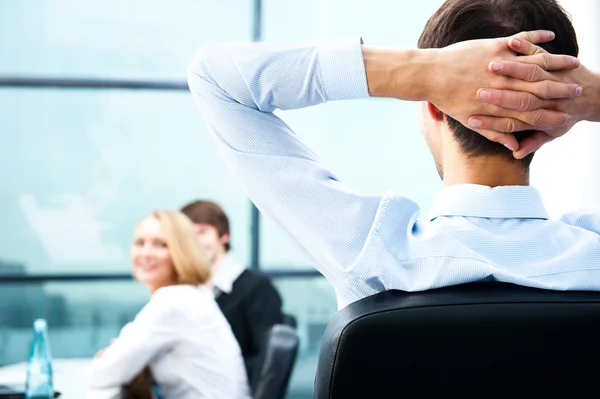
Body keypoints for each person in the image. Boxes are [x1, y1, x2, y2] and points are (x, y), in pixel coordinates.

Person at [186, 0, 600, 310]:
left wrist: (423, 72)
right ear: (555, 117)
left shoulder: (373, 252)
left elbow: (217, 78)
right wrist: (590, 96)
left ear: (433, 105)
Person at [88, 210, 250, 399]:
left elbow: (102, 375)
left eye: (161, 244)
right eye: (140, 243)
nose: (146, 253)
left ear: (181, 252)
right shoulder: (191, 294)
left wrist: (118, 354)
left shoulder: (174, 302)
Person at [180, 200, 284, 381]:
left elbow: (266, 365)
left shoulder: (257, 288)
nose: (194, 242)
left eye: (202, 232)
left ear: (224, 236)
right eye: (187, 236)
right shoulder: (184, 291)